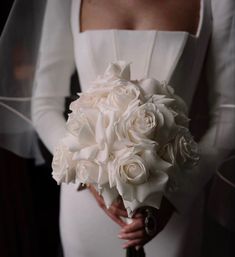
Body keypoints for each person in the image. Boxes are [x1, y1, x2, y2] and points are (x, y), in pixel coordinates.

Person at [1, 0, 235, 256]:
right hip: (87, 201)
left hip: (173, 203)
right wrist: (89, 176)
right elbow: (44, 105)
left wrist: (176, 198)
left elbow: (229, 110)